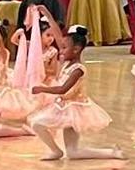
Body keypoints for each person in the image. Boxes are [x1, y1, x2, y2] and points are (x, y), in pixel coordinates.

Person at [29, 25, 125, 161]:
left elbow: (63, 89)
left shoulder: (78, 69)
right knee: (72, 152)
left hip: (73, 109)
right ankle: (110, 152)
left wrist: (41, 88)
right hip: (63, 107)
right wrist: (47, 14)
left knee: (37, 123)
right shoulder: (66, 63)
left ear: (76, 49)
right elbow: (58, 35)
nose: (60, 51)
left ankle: (57, 151)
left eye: (64, 48)